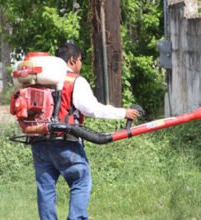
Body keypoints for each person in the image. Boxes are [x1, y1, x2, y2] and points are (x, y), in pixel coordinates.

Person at [31, 42, 139, 220]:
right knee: (81, 180)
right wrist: (123, 113)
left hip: (39, 141)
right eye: (80, 60)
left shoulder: (41, 80)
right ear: (72, 60)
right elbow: (91, 109)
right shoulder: (74, 81)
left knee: (46, 187)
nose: (80, 64)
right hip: (66, 142)